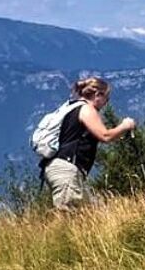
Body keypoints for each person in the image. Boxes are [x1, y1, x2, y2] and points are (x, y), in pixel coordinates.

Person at [41, 77, 136, 210]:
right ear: (98, 95)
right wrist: (125, 126)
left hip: (60, 167)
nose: (106, 103)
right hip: (67, 169)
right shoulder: (86, 109)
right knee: (70, 216)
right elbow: (105, 136)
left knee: (92, 212)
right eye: (106, 99)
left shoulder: (72, 107)